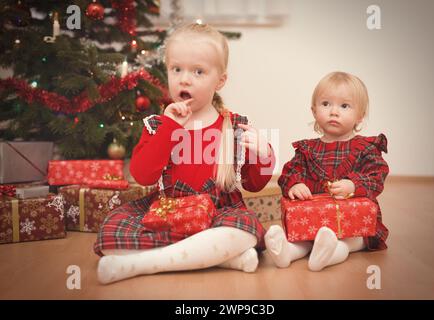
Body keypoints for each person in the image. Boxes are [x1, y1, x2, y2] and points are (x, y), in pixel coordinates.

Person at [94, 23, 275, 284]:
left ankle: (143, 264)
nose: (184, 79)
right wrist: (169, 129)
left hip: (218, 212)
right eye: (176, 69)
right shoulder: (158, 125)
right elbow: (143, 176)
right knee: (110, 234)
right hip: (167, 211)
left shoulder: (233, 126)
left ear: (220, 81)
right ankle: (222, 258)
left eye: (198, 71)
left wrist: (263, 154)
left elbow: (255, 184)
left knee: (245, 229)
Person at [265, 71, 389, 271]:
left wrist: (353, 185)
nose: (334, 112)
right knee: (305, 238)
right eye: (325, 104)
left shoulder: (365, 149)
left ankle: (329, 253)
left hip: (353, 223)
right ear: (314, 111)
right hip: (314, 219)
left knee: (350, 241)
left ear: (360, 116)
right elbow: (289, 172)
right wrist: (294, 184)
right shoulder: (307, 150)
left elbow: (376, 176)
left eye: (344, 106)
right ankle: (286, 252)